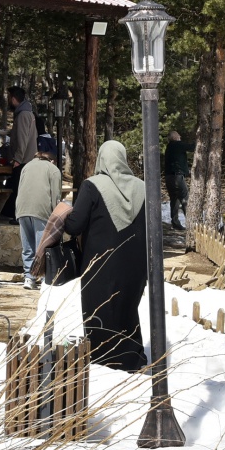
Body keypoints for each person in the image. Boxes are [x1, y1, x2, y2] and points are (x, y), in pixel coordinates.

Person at [53, 140, 147, 371]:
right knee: (127, 308)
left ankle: (103, 360)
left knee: (99, 309)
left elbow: (74, 225)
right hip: (136, 263)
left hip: (100, 263)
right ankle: (130, 358)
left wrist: (62, 212)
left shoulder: (92, 186)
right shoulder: (143, 187)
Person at [15, 135, 63, 290]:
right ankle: (43, 278)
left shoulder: (27, 166)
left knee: (27, 247)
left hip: (22, 209)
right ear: (52, 157)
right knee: (41, 247)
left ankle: (29, 278)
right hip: (41, 210)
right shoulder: (53, 170)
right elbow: (56, 196)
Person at [163, 129, 192, 230]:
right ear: (175, 137)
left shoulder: (169, 147)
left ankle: (175, 222)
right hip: (177, 177)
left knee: (174, 200)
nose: (180, 137)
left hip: (168, 177)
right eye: (179, 136)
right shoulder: (177, 144)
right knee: (185, 198)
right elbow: (192, 147)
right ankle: (190, 222)